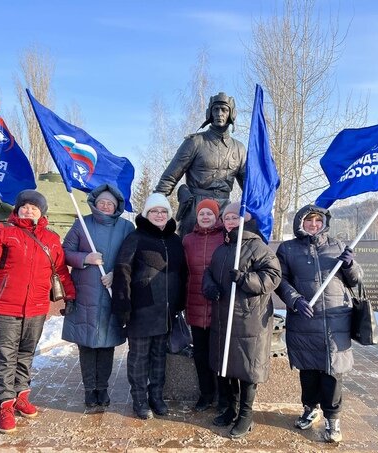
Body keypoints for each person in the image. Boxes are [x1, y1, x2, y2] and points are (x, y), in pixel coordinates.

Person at [0, 189, 75, 434]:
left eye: (34, 207)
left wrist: (70, 296)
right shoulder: (3, 232)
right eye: (25, 206)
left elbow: (60, 271)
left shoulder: (51, 239)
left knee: (26, 354)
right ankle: (5, 404)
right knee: (5, 357)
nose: (29, 210)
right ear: (17, 209)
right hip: (4, 305)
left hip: (36, 307)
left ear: (41, 212)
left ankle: (21, 396)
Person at [274, 205, 362, 444]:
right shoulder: (288, 249)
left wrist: (349, 265)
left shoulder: (337, 246)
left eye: (317, 220)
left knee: (332, 371)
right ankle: (309, 407)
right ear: (300, 223)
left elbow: (355, 280)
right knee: (309, 370)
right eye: (308, 220)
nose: (313, 224)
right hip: (305, 319)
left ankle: (333, 418)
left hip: (335, 321)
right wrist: (295, 300)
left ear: (324, 223)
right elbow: (280, 280)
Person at [202, 202, 281, 439]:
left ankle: (246, 416)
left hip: (249, 320)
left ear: (245, 219)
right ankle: (230, 408)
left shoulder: (258, 247)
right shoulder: (222, 248)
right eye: (227, 218)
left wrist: (246, 279)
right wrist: (209, 286)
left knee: (247, 370)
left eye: (235, 217)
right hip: (223, 317)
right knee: (226, 366)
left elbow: (272, 277)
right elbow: (210, 272)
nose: (230, 222)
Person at [112, 193, 188, 420]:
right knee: (139, 357)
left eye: (163, 211)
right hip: (141, 310)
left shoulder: (175, 241)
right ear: (147, 214)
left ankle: (156, 396)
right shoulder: (136, 238)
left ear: (168, 214)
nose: (159, 215)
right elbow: (123, 270)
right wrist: (123, 306)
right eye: (154, 211)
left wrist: (180, 302)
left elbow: (183, 273)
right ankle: (139, 399)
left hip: (165, 311)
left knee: (159, 357)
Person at [61, 184, 135, 409]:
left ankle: (102, 388)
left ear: (116, 206)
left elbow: (132, 256)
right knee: (87, 344)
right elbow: (65, 252)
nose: (105, 205)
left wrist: (117, 274)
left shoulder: (126, 227)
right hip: (85, 294)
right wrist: (85, 258)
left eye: (109, 203)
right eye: (102, 202)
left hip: (112, 293)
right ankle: (89, 389)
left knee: (107, 344)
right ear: (95, 203)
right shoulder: (82, 224)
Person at [154, 92, 246, 237]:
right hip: (196, 207)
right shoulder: (195, 141)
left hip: (224, 209)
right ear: (209, 112)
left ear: (231, 113)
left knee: (225, 252)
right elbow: (170, 176)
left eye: (224, 109)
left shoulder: (239, 148)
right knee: (189, 250)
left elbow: (248, 187)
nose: (219, 113)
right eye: (216, 109)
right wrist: (156, 204)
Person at [182, 198, 225, 413]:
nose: (206, 217)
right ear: (197, 217)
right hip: (195, 302)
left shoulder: (225, 236)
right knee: (200, 353)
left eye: (210, 213)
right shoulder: (188, 240)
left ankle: (223, 395)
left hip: (220, 304)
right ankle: (206, 393)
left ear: (216, 216)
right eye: (202, 214)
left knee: (219, 353)